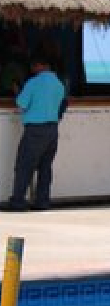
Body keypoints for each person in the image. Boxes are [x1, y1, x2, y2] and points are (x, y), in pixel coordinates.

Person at [6, 50, 67, 212]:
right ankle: (42, 201)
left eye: (33, 66)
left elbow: (21, 104)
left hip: (35, 130)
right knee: (45, 167)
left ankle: (18, 201)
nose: (32, 70)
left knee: (24, 165)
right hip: (52, 130)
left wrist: (16, 91)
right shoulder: (59, 84)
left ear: (40, 66)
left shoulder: (33, 83)